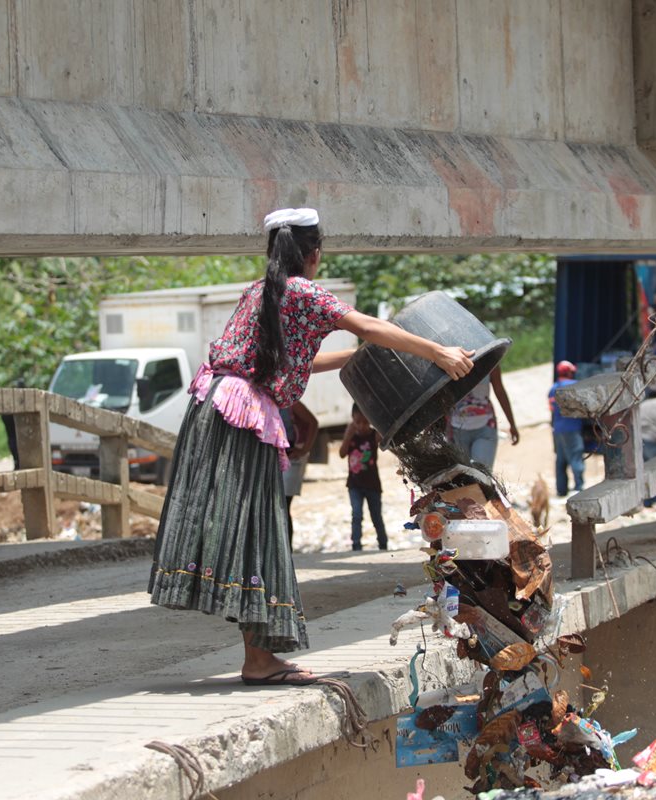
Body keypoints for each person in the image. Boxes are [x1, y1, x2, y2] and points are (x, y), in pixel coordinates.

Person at [147, 207, 474, 688]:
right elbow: (368, 326)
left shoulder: (260, 292)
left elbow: (294, 360)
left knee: (253, 528)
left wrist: (360, 357)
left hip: (214, 407)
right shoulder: (304, 292)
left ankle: (259, 657)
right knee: (260, 529)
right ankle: (259, 660)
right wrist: (438, 351)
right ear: (314, 252)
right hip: (243, 416)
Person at [448, 366, 519, 469]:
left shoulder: (490, 360)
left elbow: (499, 390)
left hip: (485, 427)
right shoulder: (447, 362)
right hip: (456, 430)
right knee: (462, 475)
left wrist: (512, 424)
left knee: (481, 473)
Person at [340, 405, 387, 552]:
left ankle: (383, 544)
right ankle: (356, 545)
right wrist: (347, 436)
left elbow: (385, 442)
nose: (361, 426)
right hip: (354, 485)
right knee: (356, 515)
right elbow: (342, 453)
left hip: (372, 485)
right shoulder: (351, 436)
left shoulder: (374, 435)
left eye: (365, 422)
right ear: (352, 420)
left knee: (376, 516)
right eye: (357, 422)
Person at [281, 400, 318, 549]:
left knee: (283, 506)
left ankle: (286, 550)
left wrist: (304, 450)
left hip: (291, 457)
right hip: (278, 457)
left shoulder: (290, 402)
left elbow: (313, 423)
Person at [549, 360, 585, 497]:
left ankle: (561, 489)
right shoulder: (575, 386)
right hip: (572, 427)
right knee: (575, 456)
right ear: (569, 372)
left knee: (561, 460)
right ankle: (579, 487)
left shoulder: (553, 389)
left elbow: (552, 410)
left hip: (558, 429)